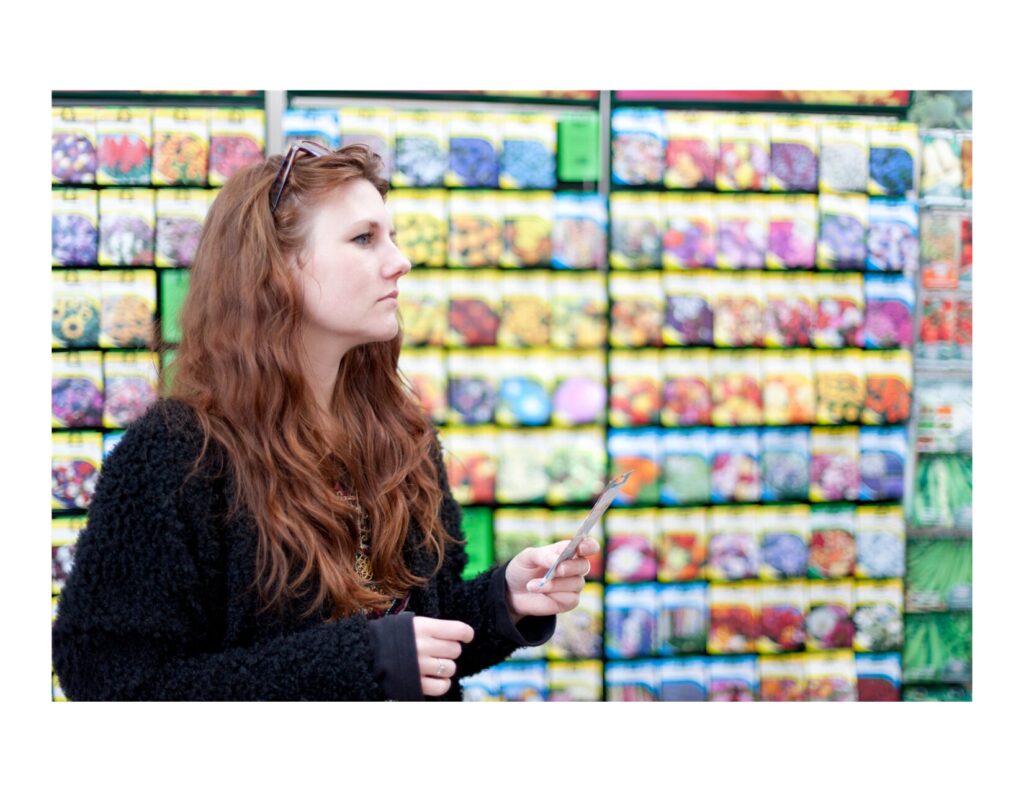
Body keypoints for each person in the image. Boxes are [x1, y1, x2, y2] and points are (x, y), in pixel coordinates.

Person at [51, 142, 599, 701]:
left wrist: (504, 601)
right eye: (364, 239)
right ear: (276, 268)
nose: (399, 260)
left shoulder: (401, 434)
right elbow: (112, 683)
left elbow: (424, 628)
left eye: (391, 235)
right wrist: (364, 659)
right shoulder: (175, 456)